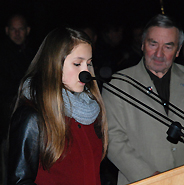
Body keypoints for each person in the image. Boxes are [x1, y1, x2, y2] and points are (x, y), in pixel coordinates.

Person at [102, 14, 184, 185]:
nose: (159, 54)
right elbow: (112, 140)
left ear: (178, 50)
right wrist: (152, 177)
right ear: (142, 44)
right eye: (153, 44)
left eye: (168, 46)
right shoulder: (118, 84)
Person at [7, 27, 108, 185]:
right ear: (54, 64)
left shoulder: (91, 111)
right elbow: (20, 181)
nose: (86, 72)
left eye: (88, 64)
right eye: (77, 63)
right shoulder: (32, 116)